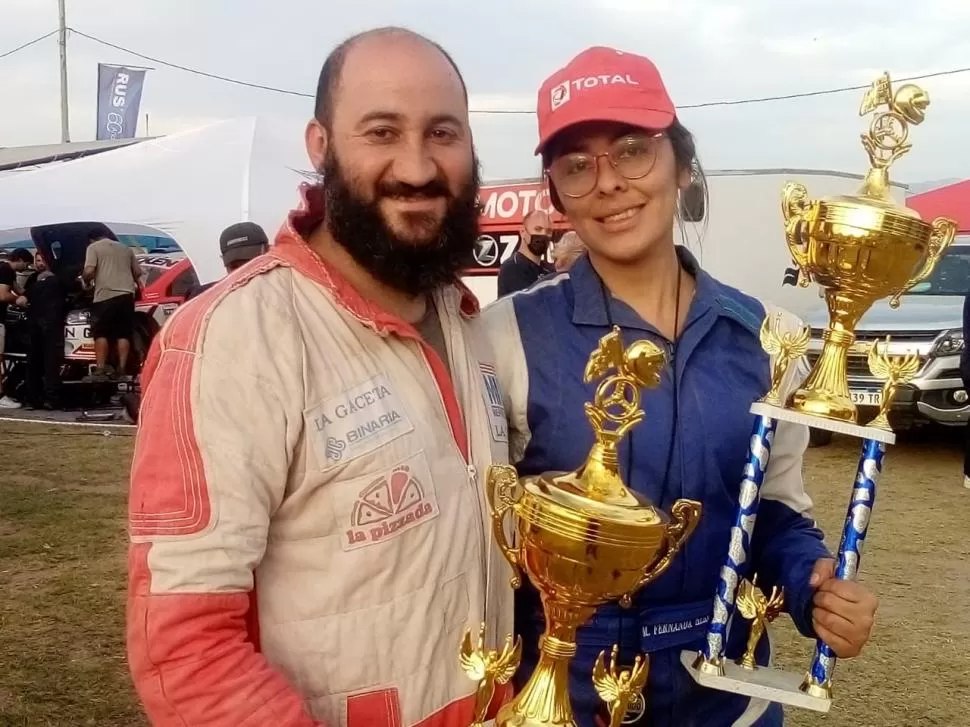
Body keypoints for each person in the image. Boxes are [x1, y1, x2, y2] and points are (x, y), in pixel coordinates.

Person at [127, 27, 513, 727]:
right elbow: (186, 648)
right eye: (382, 131)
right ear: (320, 144)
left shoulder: (466, 323)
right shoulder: (235, 339)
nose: (417, 167)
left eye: (443, 133)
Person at [483, 46, 879, 726]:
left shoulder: (770, 336)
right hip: (564, 697)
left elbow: (770, 507)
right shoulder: (504, 335)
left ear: (682, 164)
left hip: (726, 700)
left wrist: (811, 583)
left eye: (633, 151)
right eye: (576, 165)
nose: (608, 183)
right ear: (555, 195)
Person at [82, 230, 143, 379]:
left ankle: (100, 369)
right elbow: (138, 272)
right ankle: (121, 369)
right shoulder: (126, 248)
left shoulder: (94, 247)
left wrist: (85, 281)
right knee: (123, 333)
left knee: (101, 333)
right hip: (127, 296)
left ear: (92, 239)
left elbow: (89, 271)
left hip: (105, 296)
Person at [19, 250, 64, 410]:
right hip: (44, 323)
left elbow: (21, 300)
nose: (40, 264)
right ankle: (42, 399)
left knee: (42, 361)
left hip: (44, 322)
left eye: (42, 260)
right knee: (43, 361)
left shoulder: (55, 279)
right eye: (37, 260)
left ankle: (40, 399)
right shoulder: (37, 278)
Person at [185, 221, 270, 300]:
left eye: (251, 263)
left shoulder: (277, 295)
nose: (244, 274)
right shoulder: (203, 298)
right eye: (234, 266)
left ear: (269, 252)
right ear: (223, 260)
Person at [0, 248, 33, 409]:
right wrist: (18, 300)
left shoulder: (7, 271)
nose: (26, 268)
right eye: (26, 264)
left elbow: (18, 289)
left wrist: (29, 295)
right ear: (19, 259)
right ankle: (1, 396)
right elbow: (3, 295)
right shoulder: (5, 269)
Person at [496, 209, 554, 296]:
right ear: (523, 232)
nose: (543, 234)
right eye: (538, 229)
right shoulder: (512, 267)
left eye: (548, 231)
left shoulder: (549, 269)